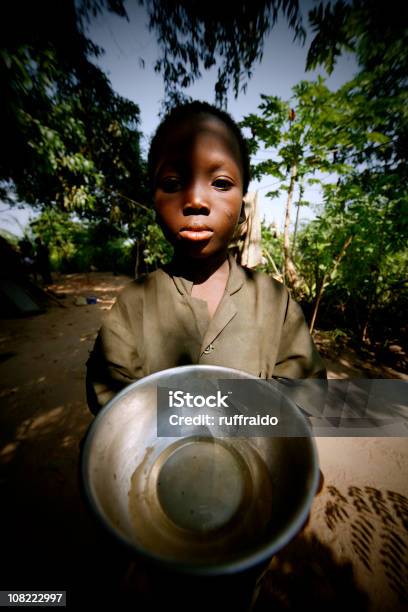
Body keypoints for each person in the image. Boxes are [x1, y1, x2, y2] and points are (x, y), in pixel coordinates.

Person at [86, 100, 326, 415]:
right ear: (154, 204)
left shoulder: (273, 300)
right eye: (173, 184)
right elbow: (106, 393)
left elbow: (308, 393)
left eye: (221, 184)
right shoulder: (136, 302)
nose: (196, 200)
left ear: (243, 201)